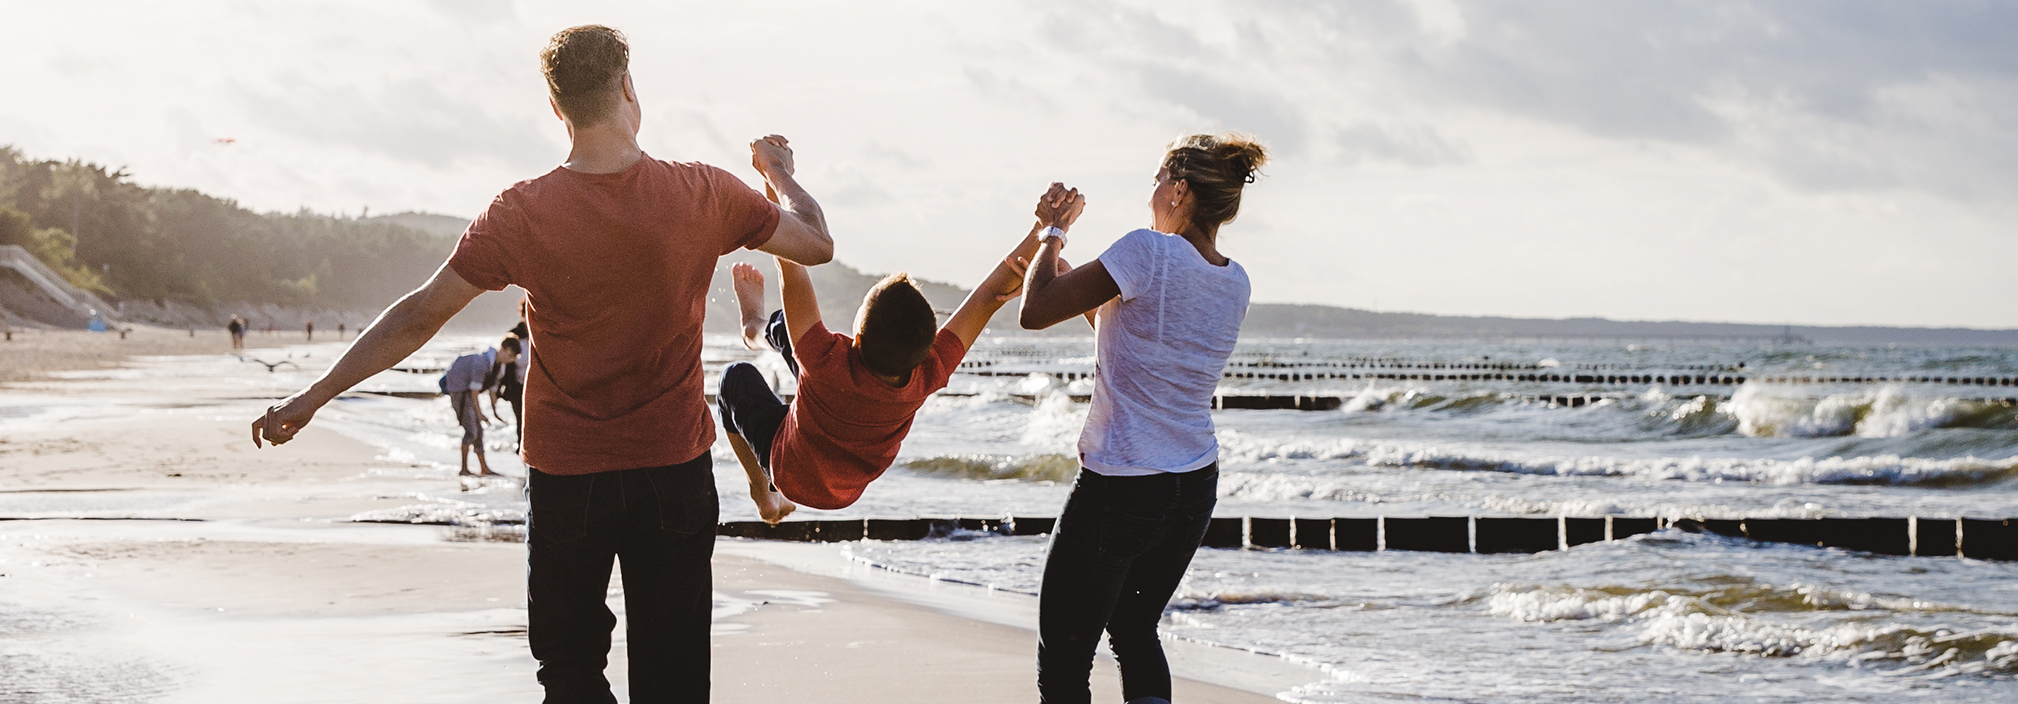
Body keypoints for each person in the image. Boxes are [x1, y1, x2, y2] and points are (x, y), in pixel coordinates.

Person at [244, 24, 836, 704]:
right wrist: (777, 170)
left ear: (558, 109)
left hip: (567, 479)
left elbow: (416, 315)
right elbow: (816, 242)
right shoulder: (703, 192)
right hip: (672, 470)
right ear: (628, 90)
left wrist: (313, 397)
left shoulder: (519, 214)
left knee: (570, 674)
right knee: (673, 682)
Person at [1012, 133, 1267, 704]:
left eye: (1158, 179)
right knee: (1132, 630)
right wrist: (1081, 282)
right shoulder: (1234, 280)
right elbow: (1133, 343)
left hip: (1122, 486)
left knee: (1064, 660)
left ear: (1179, 190)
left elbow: (1034, 311)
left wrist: (1052, 231)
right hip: (1193, 485)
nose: (1150, 192)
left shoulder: (1148, 251)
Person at [711, 188, 1060, 523]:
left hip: (788, 470)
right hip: (847, 487)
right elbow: (987, 296)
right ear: (927, 348)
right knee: (795, 335)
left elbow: (791, 264)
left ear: (858, 337)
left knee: (734, 378)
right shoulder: (929, 373)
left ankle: (762, 491)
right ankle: (758, 329)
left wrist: (777, 179)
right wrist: (1047, 231)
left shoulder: (823, 359)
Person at [440, 340, 507, 477]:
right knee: (471, 431)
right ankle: (464, 469)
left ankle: (484, 468)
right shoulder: (482, 363)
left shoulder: (497, 367)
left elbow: (492, 391)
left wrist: (495, 413)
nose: (510, 359)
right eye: (510, 355)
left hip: (467, 394)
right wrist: (480, 413)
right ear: (504, 349)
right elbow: (474, 391)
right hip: (460, 393)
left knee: (479, 431)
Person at [491, 322, 530, 438]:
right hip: (516, 386)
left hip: (534, 386)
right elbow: (505, 367)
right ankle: (521, 449)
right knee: (520, 418)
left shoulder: (541, 333)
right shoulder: (515, 336)